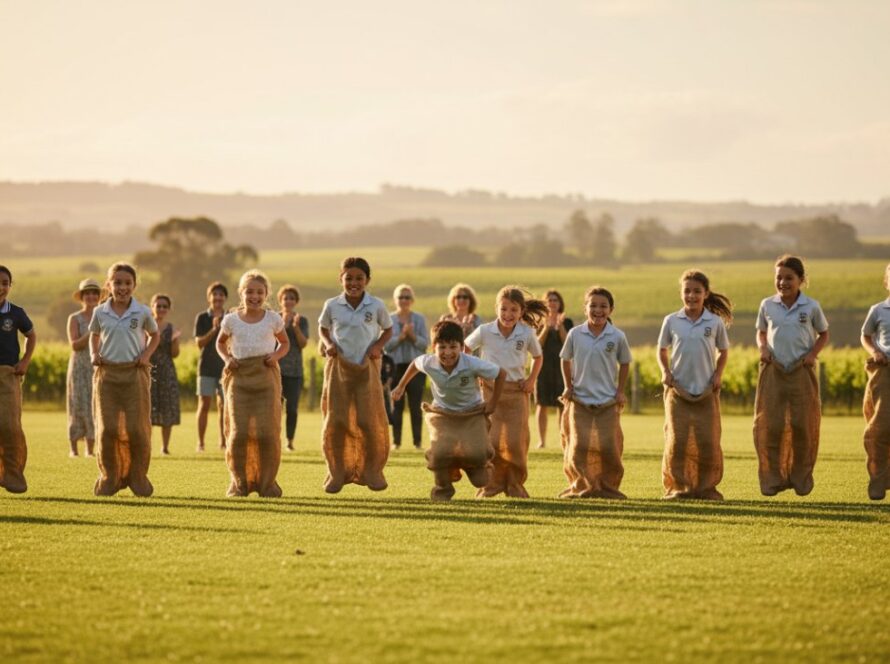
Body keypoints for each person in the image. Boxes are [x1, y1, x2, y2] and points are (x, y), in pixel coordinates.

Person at [392, 320, 506, 501]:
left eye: (453, 347)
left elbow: (501, 374)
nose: (447, 353)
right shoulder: (428, 362)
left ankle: (475, 465)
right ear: (433, 348)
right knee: (439, 455)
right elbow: (415, 363)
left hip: (472, 413)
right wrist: (400, 386)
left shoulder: (472, 363)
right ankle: (442, 489)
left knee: (480, 476)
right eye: (442, 347)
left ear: (461, 347)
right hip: (443, 414)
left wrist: (492, 402)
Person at [753, 254, 829, 497]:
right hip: (774, 370)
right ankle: (772, 478)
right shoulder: (767, 305)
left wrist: (812, 355)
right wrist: (763, 348)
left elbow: (824, 334)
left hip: (801, 371)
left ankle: (800, 477)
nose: (783, 282)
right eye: (779, 277)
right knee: (771, 425)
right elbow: (761, 333)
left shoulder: (811, 307)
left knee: (801, 426)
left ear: (801, 280)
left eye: (789, 278)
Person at [318, 257, 393, 493]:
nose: (353, 282)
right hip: (339, 368)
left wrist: (378, 346)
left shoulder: (376, 305)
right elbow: (322, 328)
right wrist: (328, 343)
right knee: (337, 420)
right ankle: (337, 472)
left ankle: (372, 471)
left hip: (367, 368)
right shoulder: (332, 305)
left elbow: (388, 329)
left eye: (359, 278)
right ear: (341, 279)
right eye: (348, 278)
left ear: (367, 280)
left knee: (368, 421)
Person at [658, 269, 732, 501]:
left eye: (697, 291)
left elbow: (723, 351)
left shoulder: (715, 322)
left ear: (706, 294)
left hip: (706, 391)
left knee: (707, 442)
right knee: (678, 442)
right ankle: (679, 487)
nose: (691, 296)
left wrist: (718, 375)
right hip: (678, 391)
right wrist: (665, 372)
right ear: (681, 293)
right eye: (687, 291)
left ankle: (705, 488)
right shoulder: (671, 321)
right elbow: (661, 349)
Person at [465, 285, 546, 498]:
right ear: (496, 308)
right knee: (491, 441)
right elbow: (466, 349)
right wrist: (476, 373)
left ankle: (515, 485)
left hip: (517, 392)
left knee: (515, 443)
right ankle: (491, 485)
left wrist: (531, 380)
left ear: (521, 312)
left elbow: (538, 357)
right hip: (490, 392)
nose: (508, 315)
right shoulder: (484, 330)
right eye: (504, 309)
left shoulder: (527, 333)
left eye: (513, 310)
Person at [215, 270, 289, 497]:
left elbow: (284, 344)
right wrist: (228, 359)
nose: (254, 296)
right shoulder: (231, 320)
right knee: (239, 434)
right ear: (241, 293)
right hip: (239, 379)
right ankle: (239, 484)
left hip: (265, 378)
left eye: (259, 292)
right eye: (249, 291)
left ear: (266, 294)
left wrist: (275, 357)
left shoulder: (273, 319)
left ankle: (268, 483)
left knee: (267, 433)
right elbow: (220, 344)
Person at [90, 263, 160, 497]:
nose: (122, 287)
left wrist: (146, 355)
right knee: (108, 429)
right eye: (117, 283)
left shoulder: (141, 312)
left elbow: (155, 335)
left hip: (134, 374)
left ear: (134, 285)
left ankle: (137, 476)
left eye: (127, 283)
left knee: (136, 429)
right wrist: (94, 353)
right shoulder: (100, 312)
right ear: (109, 285)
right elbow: (94, 335)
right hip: (108, 376)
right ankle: (110, 477)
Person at [559, 286, 631, 499]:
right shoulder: (575, 334)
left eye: (603, 306)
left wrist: (620, 391)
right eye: (593, 306)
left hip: (607, 401)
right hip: (580, 400)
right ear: (585, 308)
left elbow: (625, 363)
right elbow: (565, 359)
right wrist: (568, 386)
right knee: (579, 447)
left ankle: (607, 487)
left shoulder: (617, 336)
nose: (598, 310)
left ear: (611, 310)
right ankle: (581, 486)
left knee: (608, 446)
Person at [0, 265, 36, 494]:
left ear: (10, 286)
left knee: (10, 426)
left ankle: (11, 475)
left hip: (8, 376)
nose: (1, 286)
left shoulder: (16, 312)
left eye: (5, 282)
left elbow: (31, 335)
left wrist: (24, 361)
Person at [385, 284, 429, 450]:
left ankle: (417, 442)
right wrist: (402, 337)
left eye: (407, 297)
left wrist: (412, 336)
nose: (404, 300)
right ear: (395, 300)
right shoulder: (389, 319)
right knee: (396, 405)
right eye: (400, 297)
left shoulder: (419, 319)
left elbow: (425, 344)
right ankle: (396, 442)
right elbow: (386, 346)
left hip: (415, 368)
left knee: (415, 406)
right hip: (396, 367)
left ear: (412, 300)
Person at [862, 263, 890, 500]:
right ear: (886, 282)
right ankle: (878, 479)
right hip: (884, 371)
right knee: (880, 427)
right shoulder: (878, 310)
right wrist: (875, 352)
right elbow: (866, 336)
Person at [66, 278, 100, 458]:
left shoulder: (104, 316)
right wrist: (91, 332)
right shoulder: (75, 318)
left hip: (96, 366)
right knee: (77, 404)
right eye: (87, 293)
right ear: (82, 297)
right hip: (79, 366)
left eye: (94, 293)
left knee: (94, 406)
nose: (91, 296)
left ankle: (90, 449)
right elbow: (75, 344)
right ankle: (74, 449)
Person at [535, 289, 572, 448]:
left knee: (561, 405)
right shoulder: (538, 322)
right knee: (541, 404)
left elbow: (568, 343)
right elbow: (537, 345)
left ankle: (562, 439)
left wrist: (560, 326)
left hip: (561, 368)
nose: (552, 303)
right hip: (542, 368)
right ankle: (542, 441)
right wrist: (546, 327)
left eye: (555, 300)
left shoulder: (567, 322)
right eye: (549, 300)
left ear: (560, 303)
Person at [194, 282, 228, 452]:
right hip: (206, 368)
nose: (218, 297)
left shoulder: (230, 318)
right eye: (215, 294)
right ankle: (200, 443)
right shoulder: (202, 318)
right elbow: (199, 343)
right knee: (204, 405)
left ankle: (224, 442)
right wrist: (215, 330)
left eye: (221, 295)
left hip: (225, 368)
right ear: (209, 298)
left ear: (225, 298)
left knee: (224, 405)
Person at [277, 284, 309, 451]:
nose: (288, 301)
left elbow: (303, 343)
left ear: (296, 301)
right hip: (276, 370)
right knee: (275, 408)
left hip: (295, 371)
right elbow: (271, 341)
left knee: (292, 408)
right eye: (285, 298)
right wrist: (282, 324)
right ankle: (275, 439)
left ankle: (289, 440)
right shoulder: (274, 318)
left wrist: (295, 327)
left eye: (291, 298)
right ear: (280, 300)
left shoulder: (301, 320)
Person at [149, 294, 181, 455]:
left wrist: (175, 339)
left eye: (164, 306)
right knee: (147, 409)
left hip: (167, 371)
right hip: (148, 369)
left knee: (167, 407)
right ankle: (146, 445)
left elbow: (175, 354)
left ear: (168, 309)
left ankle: (165, 447)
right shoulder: (146, 326)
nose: (161, 309)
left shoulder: (171, 328)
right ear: (152, 307)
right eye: (158, 305)